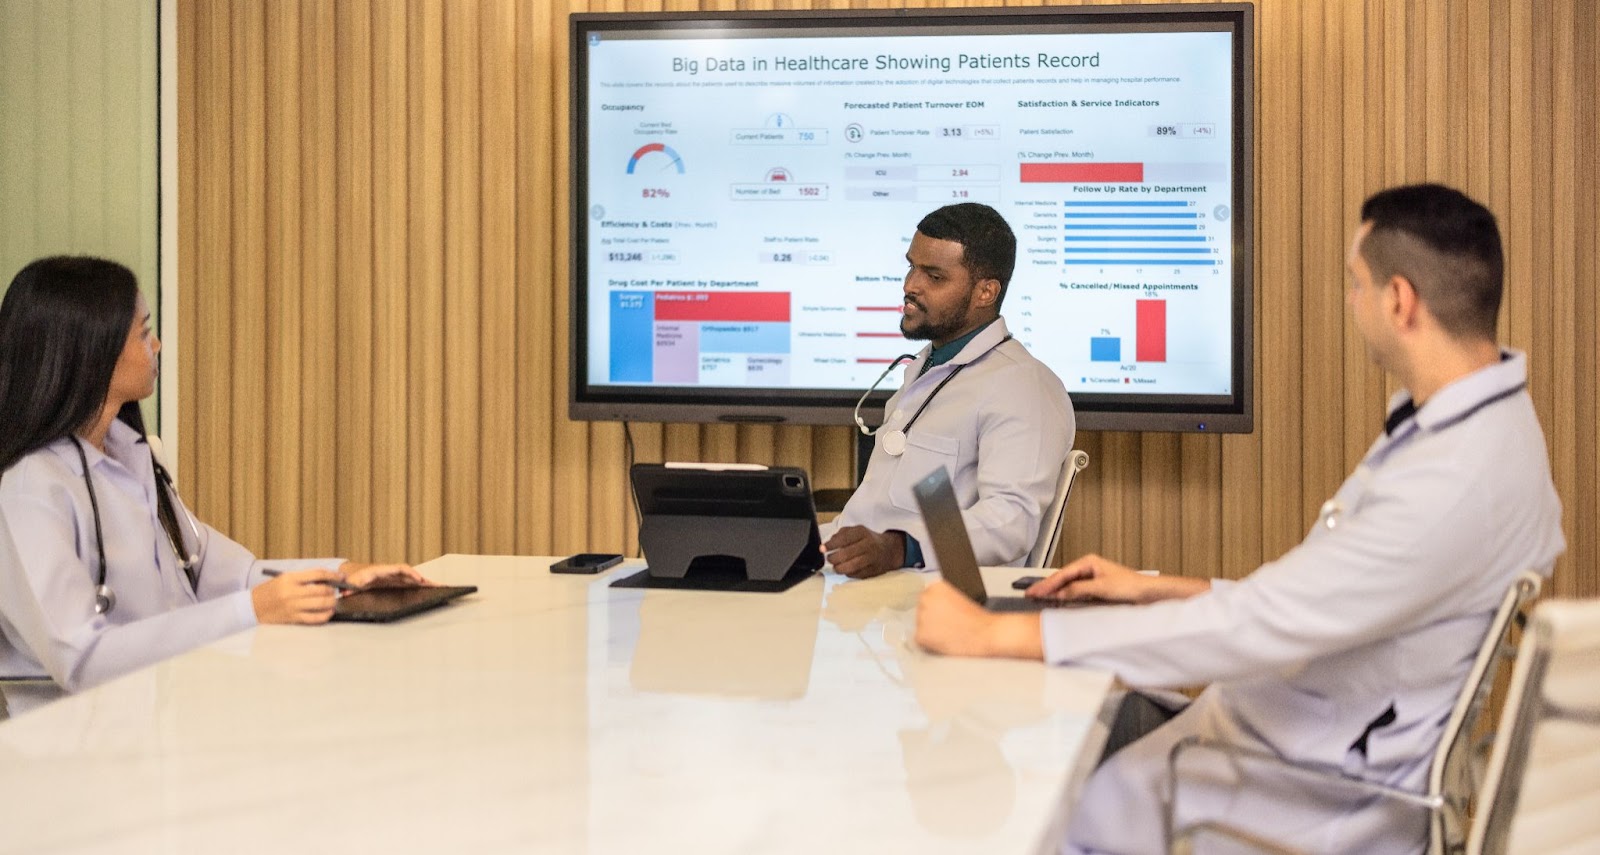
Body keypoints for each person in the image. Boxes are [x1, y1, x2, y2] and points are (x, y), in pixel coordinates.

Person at [914, 184, 1566, 852]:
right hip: (1291, 723)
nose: (1352, 302)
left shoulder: (1452, 478)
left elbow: (1263, 625)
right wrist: (1155, 588)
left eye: (1356, 284)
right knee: (1099, 724)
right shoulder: (1479, 426)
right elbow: (1327, 596)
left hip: (1301, 783)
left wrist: (997, 635)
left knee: (1040, 800)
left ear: (1399, 300)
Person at [0, 256, 428, 713]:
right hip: (71, 749)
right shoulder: (30, 490)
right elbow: (82, 658)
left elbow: (218, 574)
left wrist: (344, 575)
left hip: (161, 715)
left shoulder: (132, 455)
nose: (157, 344)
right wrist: (253, 611)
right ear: (93, 353)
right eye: (143, 333)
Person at [822, 203, 1074, 578]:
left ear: (986, 291)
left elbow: (1010, 522)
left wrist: (902, 547)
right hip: (869, 593)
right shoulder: (929, 368)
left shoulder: (1023, 386)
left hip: (930, 603)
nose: (911, 285)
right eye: (911, 266)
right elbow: (870, 516)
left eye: (934, 276)